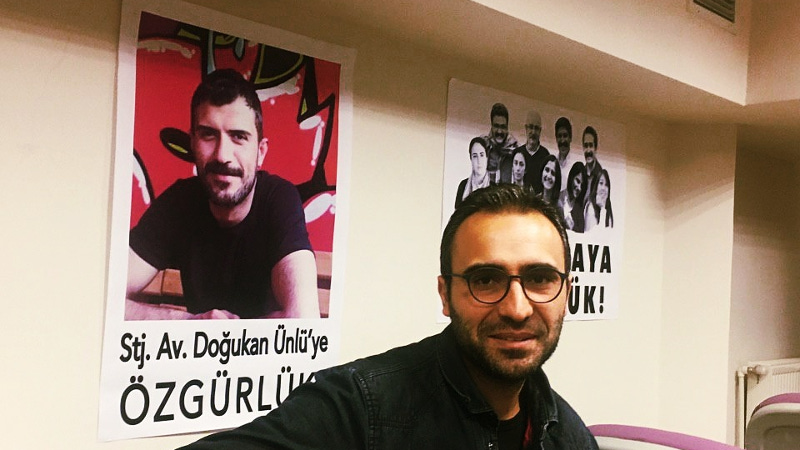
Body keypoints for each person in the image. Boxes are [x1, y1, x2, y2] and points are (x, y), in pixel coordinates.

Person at [179, 184, 598, 449]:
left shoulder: (568, 435)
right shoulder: (361, 407)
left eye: (540, 278)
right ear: (445, 295)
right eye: (485, 280)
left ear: (566, 292)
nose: (517, 308)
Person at [126, 69, 320, 320]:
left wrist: (222, 334)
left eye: (238, 137)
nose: (222, 155)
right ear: (193, 143)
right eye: (208, 134)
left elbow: (303, 319)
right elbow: (101, 293)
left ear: (260, 152)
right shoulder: (179, 202)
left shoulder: (279, 199)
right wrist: (190, 323)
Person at [481, 103, 519, 184]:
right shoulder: (483, 147)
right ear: (491, 126)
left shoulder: (515, 150)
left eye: (503, 127)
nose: (499, 131)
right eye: (496, 126)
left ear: (507, 127)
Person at [517, 110, 550, 191]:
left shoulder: (545, 156)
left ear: (540, 131)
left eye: (536, 128)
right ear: (526, 128)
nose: (533, 132)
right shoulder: (517, 153)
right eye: (531, 127)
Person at [456, 137, 491, 207]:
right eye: (475, 156)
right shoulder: (463, 186)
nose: (479, 160)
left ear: (486, 157)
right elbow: (457, 212)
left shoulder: (494, 188)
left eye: (481, 155)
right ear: (471, 159)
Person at [558, 162, 587, 233]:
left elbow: (581, 233)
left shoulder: (579, 209)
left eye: (582, 185)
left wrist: (572, 227)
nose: (579, 188)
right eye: (577, 181)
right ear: (571, 177)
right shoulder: (557, 198)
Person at [554, 117, 577, 192]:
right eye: (559, 136)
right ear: (556, 139)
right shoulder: (552, 164)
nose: (562, 140)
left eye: (565, 135)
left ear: (570, 138)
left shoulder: (575, 165)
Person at [582, 126, 603, 202]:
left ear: (595, 148)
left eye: (591, 146)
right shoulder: (581, 173)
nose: (588, 150)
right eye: (586, 146)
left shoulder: (601, 176)